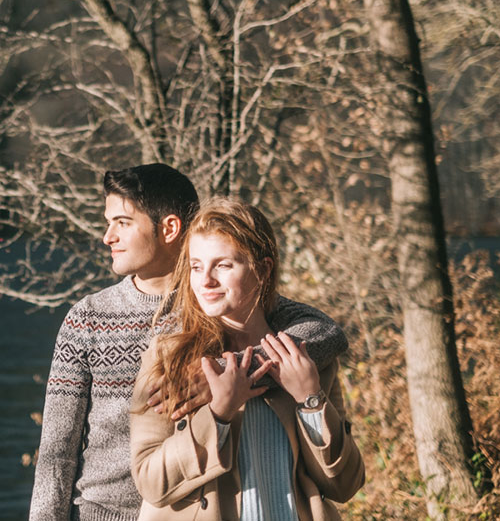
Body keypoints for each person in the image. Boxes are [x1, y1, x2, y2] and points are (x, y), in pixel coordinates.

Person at [30, 165, 349, 521]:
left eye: (122, 222)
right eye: (109, 222)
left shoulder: (225, 305)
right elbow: (57, 450)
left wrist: (234, 372)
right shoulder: (89, 317)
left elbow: (325, 331)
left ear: (168, 228)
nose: (107, 236)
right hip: (103, 514)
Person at [129, 198, 365, 520]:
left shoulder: (305, 356)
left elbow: (346, 485)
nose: (206, 280)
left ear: (263, 268)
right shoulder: (168, 356)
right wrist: (217, 414)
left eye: (223, 265)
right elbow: (150, 482)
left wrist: (310, 400)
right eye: (197, 266)